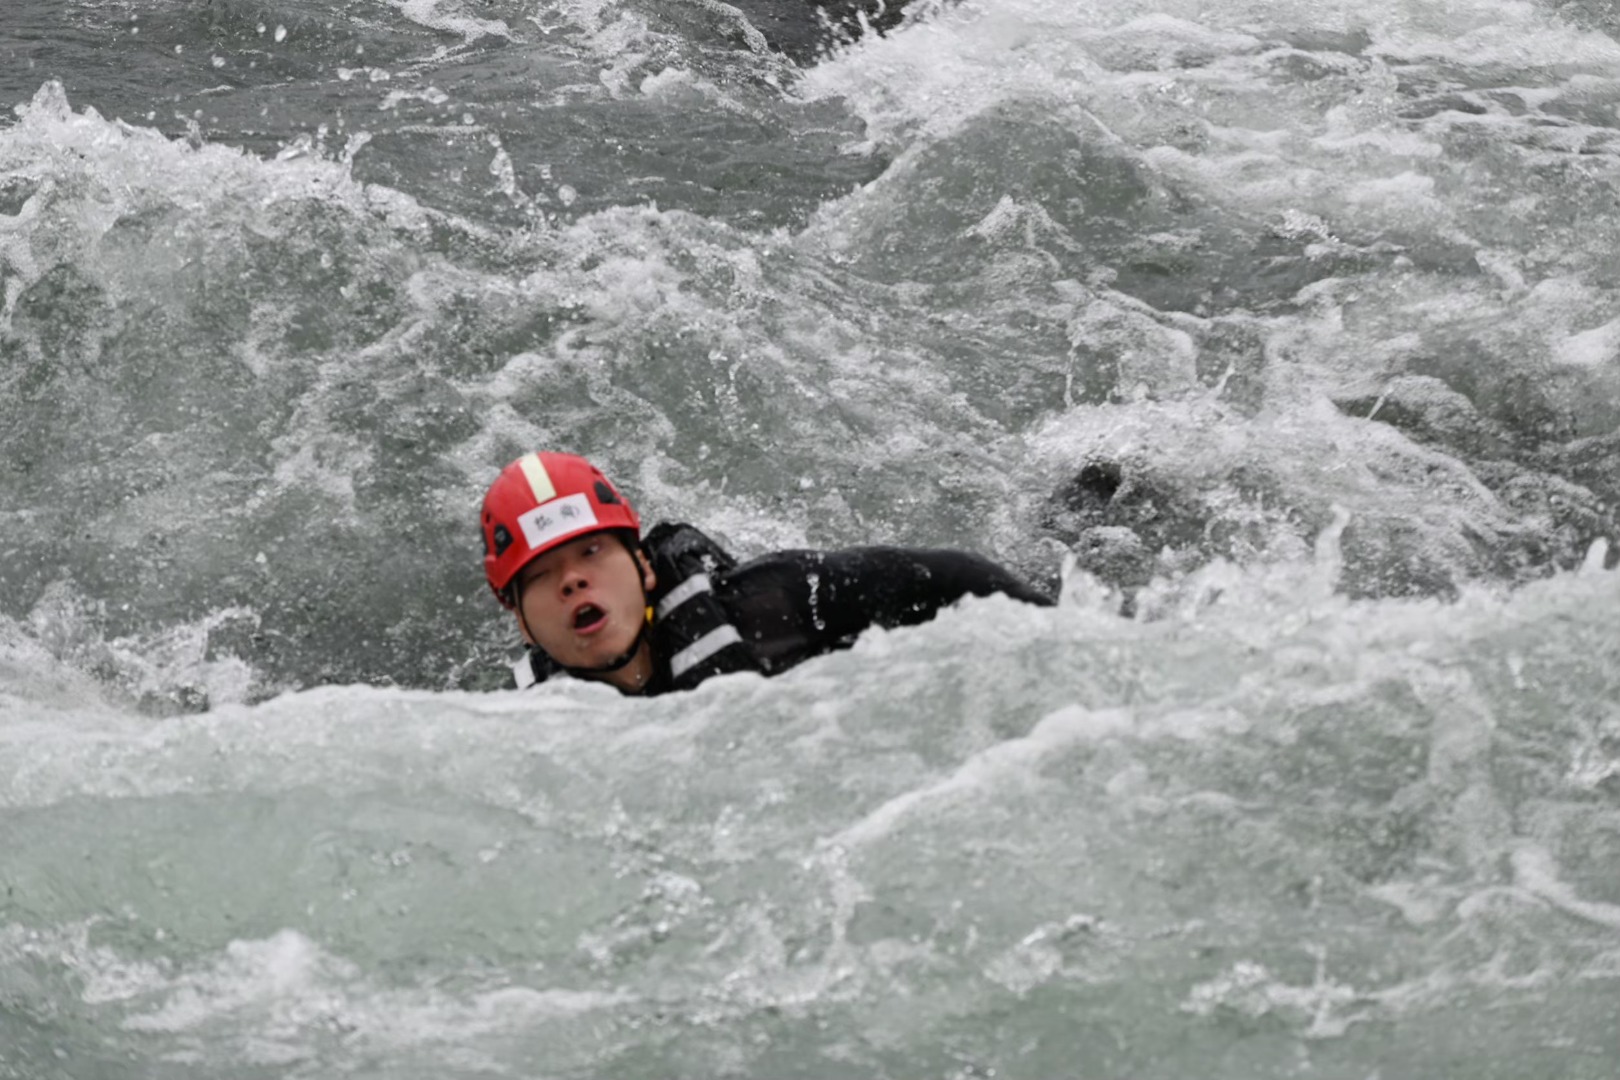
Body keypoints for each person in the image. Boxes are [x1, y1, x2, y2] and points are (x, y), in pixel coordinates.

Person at [481, 451, 1054, 695]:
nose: (573, 582)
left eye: (592, 553)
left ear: (642, 567)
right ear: (523, 623)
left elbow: (952, 575)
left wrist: (1067, 637)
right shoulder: (534, 723)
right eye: (540, 575)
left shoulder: (766, 604)